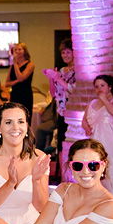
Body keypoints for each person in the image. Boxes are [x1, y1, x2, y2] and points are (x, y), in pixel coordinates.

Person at [81, 75, 113, 205]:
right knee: (96, 171)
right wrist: (86, 127)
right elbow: (84, 120)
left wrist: (105, 100)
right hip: (96, 142)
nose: (99, 89)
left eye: (102, 85)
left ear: (110, 87)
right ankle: (97, 203)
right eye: (97, 86)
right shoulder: (92, 103)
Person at [41, 39, 76, 178]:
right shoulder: (62, 70)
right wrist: (51, 79)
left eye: (68, 51)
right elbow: (54, 93)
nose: (65, 55)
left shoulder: (78, 70)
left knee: (71, 144)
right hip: (61, 112)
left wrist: (58, 78)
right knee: (61, 145)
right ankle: (63, 177)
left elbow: (73, 90)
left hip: (73, 112)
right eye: (63, 52)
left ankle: (72, 176)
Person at [6, 42, 35, 115]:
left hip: (25, 95)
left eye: (19, 49)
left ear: (24, 51)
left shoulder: (30, 64)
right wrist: (16, 81)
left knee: (25, 117)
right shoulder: (12, 67)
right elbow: (7, 83)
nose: (17, 52)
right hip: (15, 95)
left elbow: (21, 78)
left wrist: (15, 64)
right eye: (15, 50)